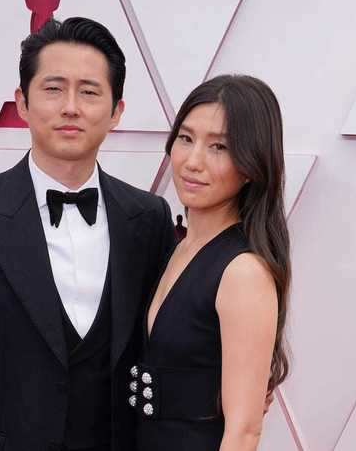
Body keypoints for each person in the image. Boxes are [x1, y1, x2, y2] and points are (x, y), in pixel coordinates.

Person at [0, 17, 176, 451]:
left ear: (116, 112)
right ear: (22, 103)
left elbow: (167, 350)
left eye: (89, 91)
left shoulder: (148, 218)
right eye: (53, 88)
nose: (71, 107)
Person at [130, 75, 290, 451]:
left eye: (219, 146)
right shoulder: (176, 247)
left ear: (252, 164)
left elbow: (244, 430)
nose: (193, 161)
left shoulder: (243, 271)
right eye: (186, 139)